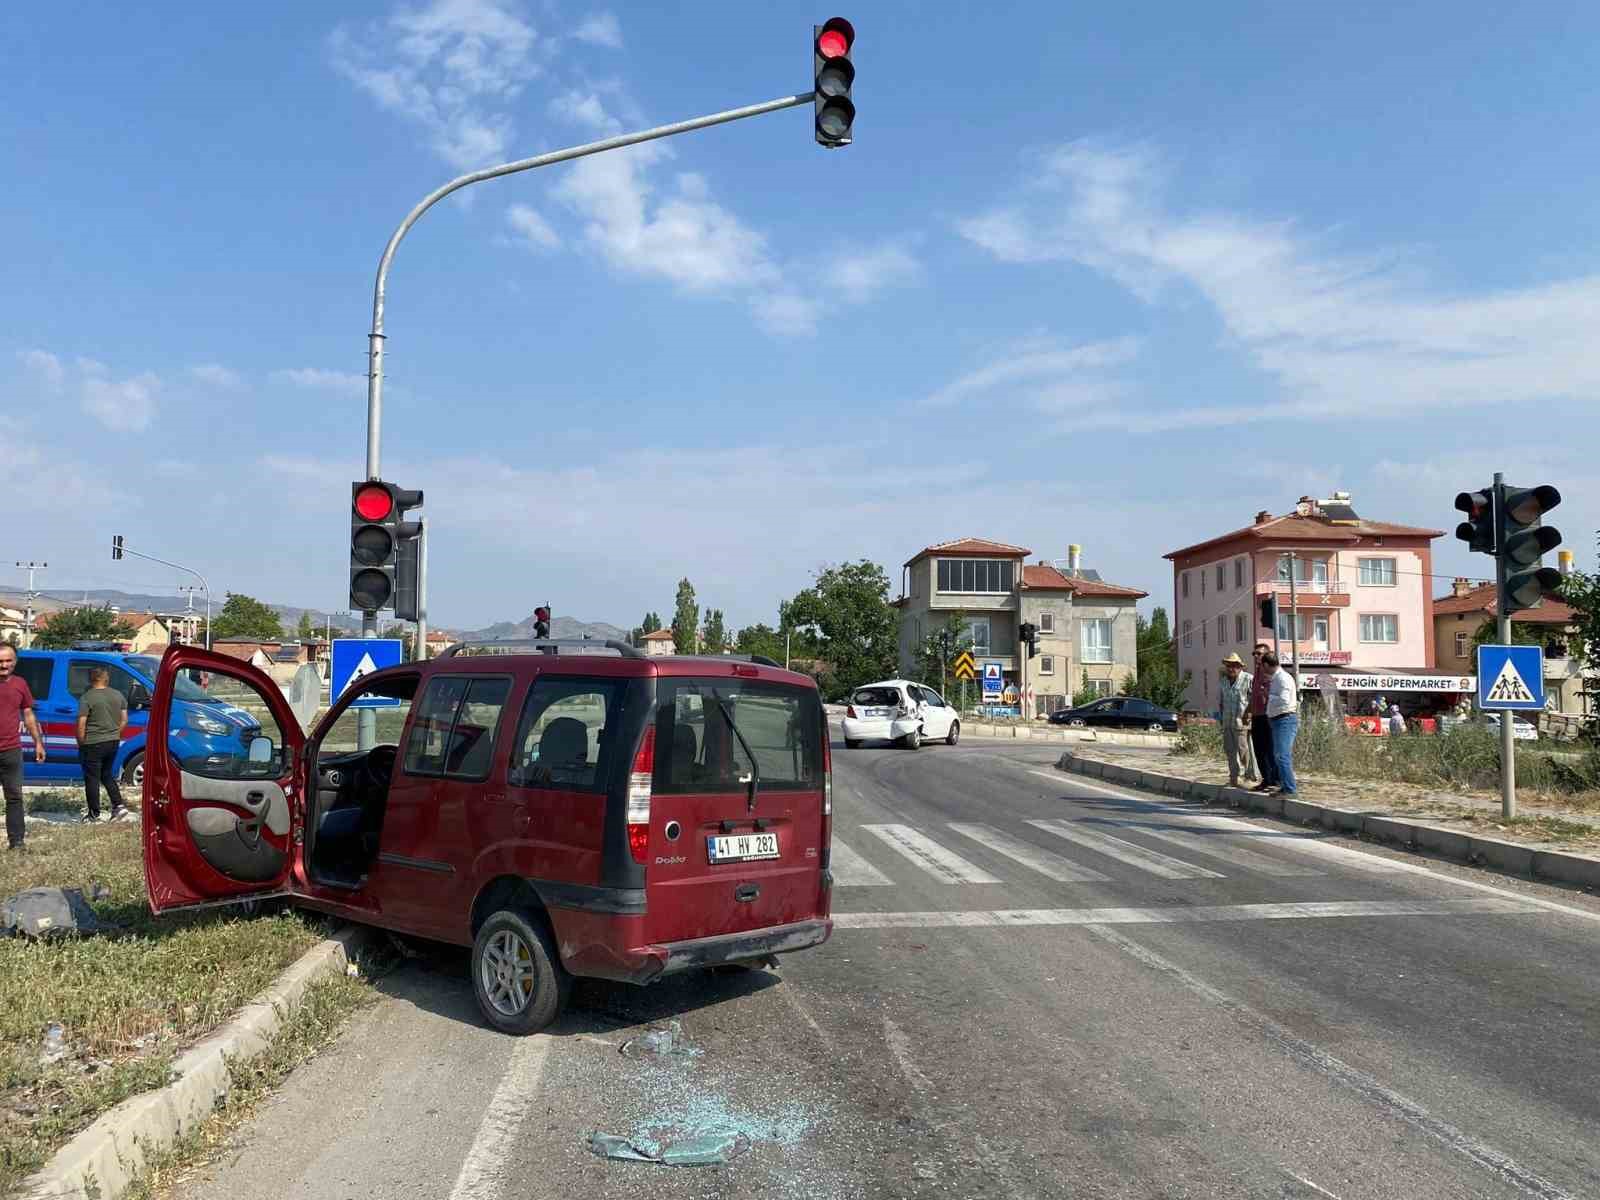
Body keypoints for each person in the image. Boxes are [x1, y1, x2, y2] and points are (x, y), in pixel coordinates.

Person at [0, 644, 48, 851]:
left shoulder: (20, 684)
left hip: (11, 749)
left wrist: (38, 742)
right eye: (0, 661)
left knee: (14, 797)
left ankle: (17, 842)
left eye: (8, 660)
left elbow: (28, 715)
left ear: (15, 662)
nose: (4, 665)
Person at [76, 667, 130, 823]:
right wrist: (114, 733)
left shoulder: (87, 697)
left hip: (93, 742)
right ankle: (119, 806)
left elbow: (81, 723)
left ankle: (94, 814)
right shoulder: (118, 695)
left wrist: (81, 743)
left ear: (91, 679)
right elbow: (125, 719)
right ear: (107, 679)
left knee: (91, 778)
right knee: (106, 774)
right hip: (113, 741)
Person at [1261, 651, 1300, 796]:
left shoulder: (1283, 678)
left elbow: (1284, 699)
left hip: (1285, 720)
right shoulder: (1277, 678)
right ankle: (1285, 786)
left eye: (1262, 666)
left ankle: (1290, 789)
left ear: (1266, 664)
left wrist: (1268, 696)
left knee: (1282, 755)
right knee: (1279, 755)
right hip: (1278, 720)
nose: (1262, 669)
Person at [1215, 652, 1255, 787]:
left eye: (1234, 666)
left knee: (1243, 749)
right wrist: (1220, 717)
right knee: (1229, 750)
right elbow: (1221, 701)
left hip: (1241, 720)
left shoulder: (1248, 679)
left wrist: (1250, 714)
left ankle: (1249, 775)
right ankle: (1234, 776)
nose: (1231, 668)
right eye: (1229, 666)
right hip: (1227, 720)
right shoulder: (1224, 681)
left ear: (1240, 667)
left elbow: (1254, 699)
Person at [1247, 643, 1279, 792]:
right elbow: (1253, 695)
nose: (1256, 656)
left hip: (1268, 715)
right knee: (1259, 749)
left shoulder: (1271, 673)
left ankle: (1276, 780)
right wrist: (1248, 711)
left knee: (1270, 749)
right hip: (1256, 715)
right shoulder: (1257, 672)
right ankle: (1266, 779)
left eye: (1259, 654)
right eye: (1255, 654)